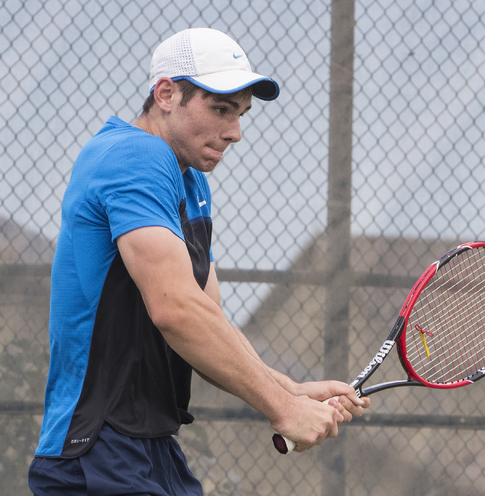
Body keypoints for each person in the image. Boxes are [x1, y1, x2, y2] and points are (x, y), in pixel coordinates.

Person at [28, 27, 369, 495]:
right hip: (96, 450)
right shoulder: (133, 156)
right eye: (221, 109)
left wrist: (287, 388)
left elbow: (206, 317)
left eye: (242, 114)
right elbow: (176, 310)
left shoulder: (189, 182)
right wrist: (282, 409)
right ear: (166, 93)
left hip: (150, 448)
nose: (235, 132)